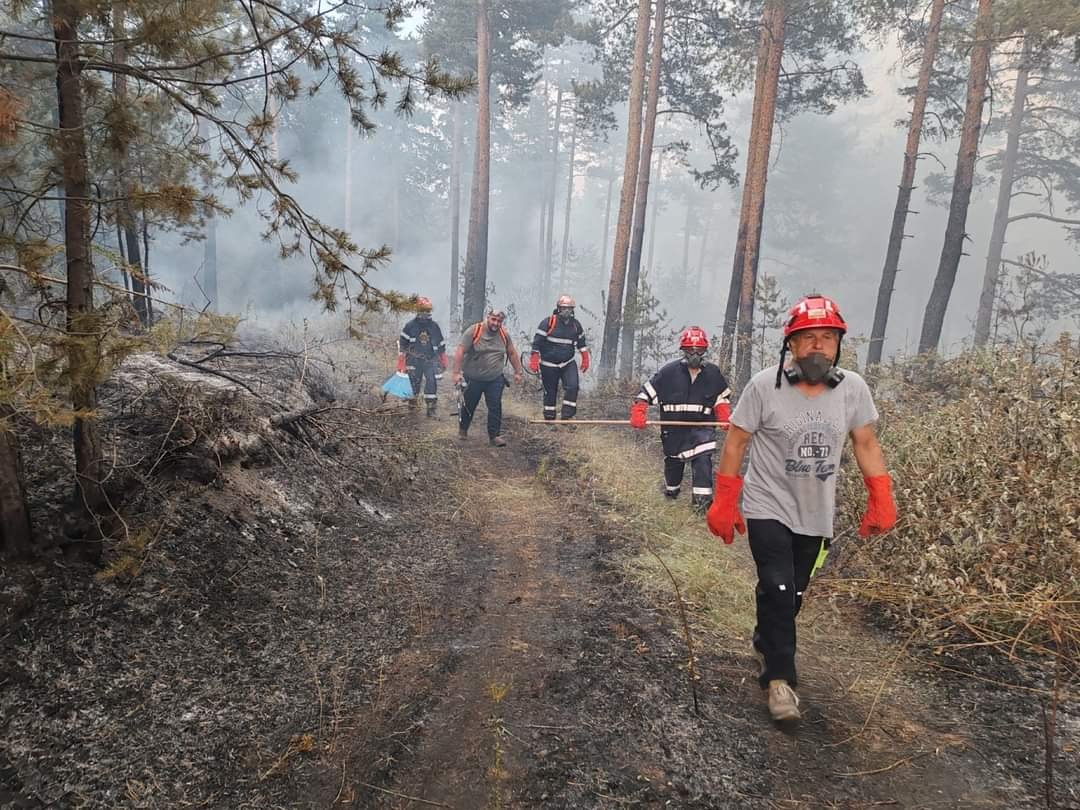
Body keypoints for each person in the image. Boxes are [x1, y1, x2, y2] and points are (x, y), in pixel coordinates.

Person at [706, 294, 897, 723]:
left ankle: (767, 637)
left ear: (838, 344)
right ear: (790, 345)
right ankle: (779, 681)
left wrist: (880, 496)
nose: (817, 346)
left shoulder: (852, 390)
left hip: (816, 513)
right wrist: (725, 499)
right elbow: (737, 441)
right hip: (767, 504)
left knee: (791, 594)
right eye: (807, 338)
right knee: (776, 584)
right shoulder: (763, 386)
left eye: (827, 338)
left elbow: (865, 442)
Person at [630, 327, 732, 511]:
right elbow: (645, 394)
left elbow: (720, 397)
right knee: (673, 463)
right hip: (673, 429)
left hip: (702, 428)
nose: (695, 355)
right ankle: (672, 491)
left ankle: (702, 505)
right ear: (683, 351)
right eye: (690, 350)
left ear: (704, 352)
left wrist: (724, 413)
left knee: (703, 461)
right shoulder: (668, 372)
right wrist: (639, 410)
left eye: (699, 351)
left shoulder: (713, 374)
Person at [451, 308, 524, 447]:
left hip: (495, 378)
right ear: (488, 317)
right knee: (469, 404)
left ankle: (494, 436)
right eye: (493, 319)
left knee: (495, 406)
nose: (496, 323)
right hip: (473, 377)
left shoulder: (504, 335)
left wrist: (518, 372)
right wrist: (456, 373)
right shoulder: (474, 331)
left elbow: (512, 353)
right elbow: (460, 351)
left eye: (499, 321)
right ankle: (463, 429)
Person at [528, 294, 590, 421]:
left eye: (569, 308)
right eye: (563, 308)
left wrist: (585, 358)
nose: (566, 311)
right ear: (558, 308)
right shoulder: (548, 322)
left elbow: (581, 344)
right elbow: (537, 342)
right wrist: (534, 359)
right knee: (550, 392)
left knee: (573, 386)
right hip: (548, 364)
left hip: (567, 363)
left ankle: (567, 417)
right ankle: (550, 419)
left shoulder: (576, 325)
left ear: (573, 310)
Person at [397, 297, 447, 417]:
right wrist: (401, 362)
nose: (425, 313)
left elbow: (440, 345)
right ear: (418, 310)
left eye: (427, 310)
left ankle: (431, 410)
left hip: (430, 360)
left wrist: (443, 360)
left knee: (431, 383)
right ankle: (412, 408)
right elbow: (403, 345)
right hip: (413, 360)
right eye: (423, 310)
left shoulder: (434, 326)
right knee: (414, 383)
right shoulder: (410, 326)